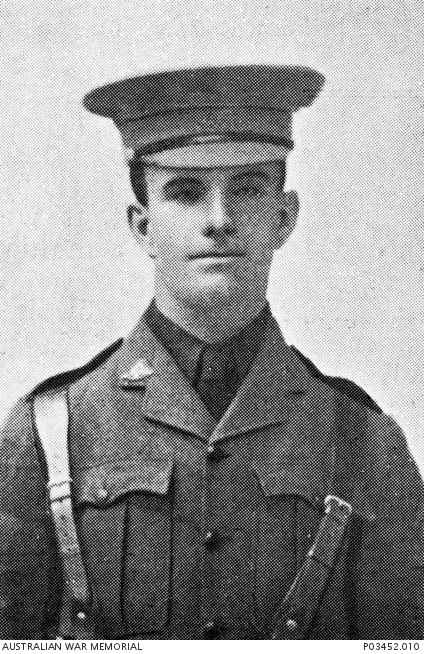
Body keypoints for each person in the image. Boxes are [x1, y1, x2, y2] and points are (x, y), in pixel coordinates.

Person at [0, 65, 422, 641]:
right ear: (141, 226)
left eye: (246, 189)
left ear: (284, 217)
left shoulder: (364, 441)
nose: (219, 221)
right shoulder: (51, 431)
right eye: (186, 192)